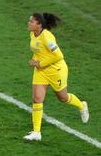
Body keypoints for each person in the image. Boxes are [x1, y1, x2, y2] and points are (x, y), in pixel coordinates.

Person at [24, 13, 89, 141]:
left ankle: (82, 105)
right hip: (41, 71)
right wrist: (34, 60)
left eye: (31, 21)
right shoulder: (33, 34)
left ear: (39, 25)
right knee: (37, 98)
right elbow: (38, 51)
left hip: (56, 71)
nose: (28, 23)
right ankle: (37, 132)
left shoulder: (47, 37)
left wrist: (39, 63)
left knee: (63, 97)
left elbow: (58, 56)